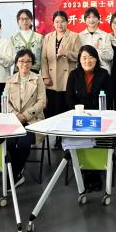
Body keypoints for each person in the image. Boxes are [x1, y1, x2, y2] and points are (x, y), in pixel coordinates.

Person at [65, 45, 113, 191]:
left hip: (99, 117)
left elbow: (109, 98)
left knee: (97, 136)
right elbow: (69, 98)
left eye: (91, 57)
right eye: (84, 58)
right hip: (80, 116)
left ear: (96, 59)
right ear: (79, 60)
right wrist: (82, 113)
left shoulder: (104, 74)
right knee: (83, 136)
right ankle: (86, 171)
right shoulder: (74, 75)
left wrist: (95, 114)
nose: (88, 61)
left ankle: (95, 172)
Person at [5, 49, 46, 188]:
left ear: (32, 63)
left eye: (28, 61)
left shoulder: (38, 79)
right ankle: (15, 174)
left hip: (33, 120)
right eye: (21, 61)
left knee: (23, 142)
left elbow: (41, 102)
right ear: (16, 63)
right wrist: (16, 115)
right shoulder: (10, 80)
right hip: (14, 120)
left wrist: (25, 116)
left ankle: (14, 175)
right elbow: (4, 102)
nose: (25, 64)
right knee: (9, 142)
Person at [40, 10, 81, 148]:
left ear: (67, 22)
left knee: (66, 108)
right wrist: (45, 76)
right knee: (54, 108)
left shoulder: (74, 36)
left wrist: (66, 53)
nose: (59, 24)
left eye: (62, 21)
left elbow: (80, 55)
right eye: (56, 21)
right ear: (53, 23)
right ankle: (57, 136)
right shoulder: (48, 37)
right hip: (51, 79)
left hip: (67, 78)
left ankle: (65, 137)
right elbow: (43, 59)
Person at [79, 7, 114, 73]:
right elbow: (78, 57)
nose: (91, 20)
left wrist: (99, 49)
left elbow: (110, 56)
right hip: (85, 72)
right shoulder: (79, 36)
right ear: (85, 20)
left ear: (98, 19)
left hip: (102, 71)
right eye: (89, 17)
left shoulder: (105, 35)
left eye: (94, 17)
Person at [10, 9, 43, 73]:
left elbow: (43, 57)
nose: (25, 21)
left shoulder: (39, 37)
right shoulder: (13, 38)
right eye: (22, 19)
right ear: (18, 21)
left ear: (31, 20)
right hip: (18, 72)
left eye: (27, 18)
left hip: (34, 72)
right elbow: (11, 58)